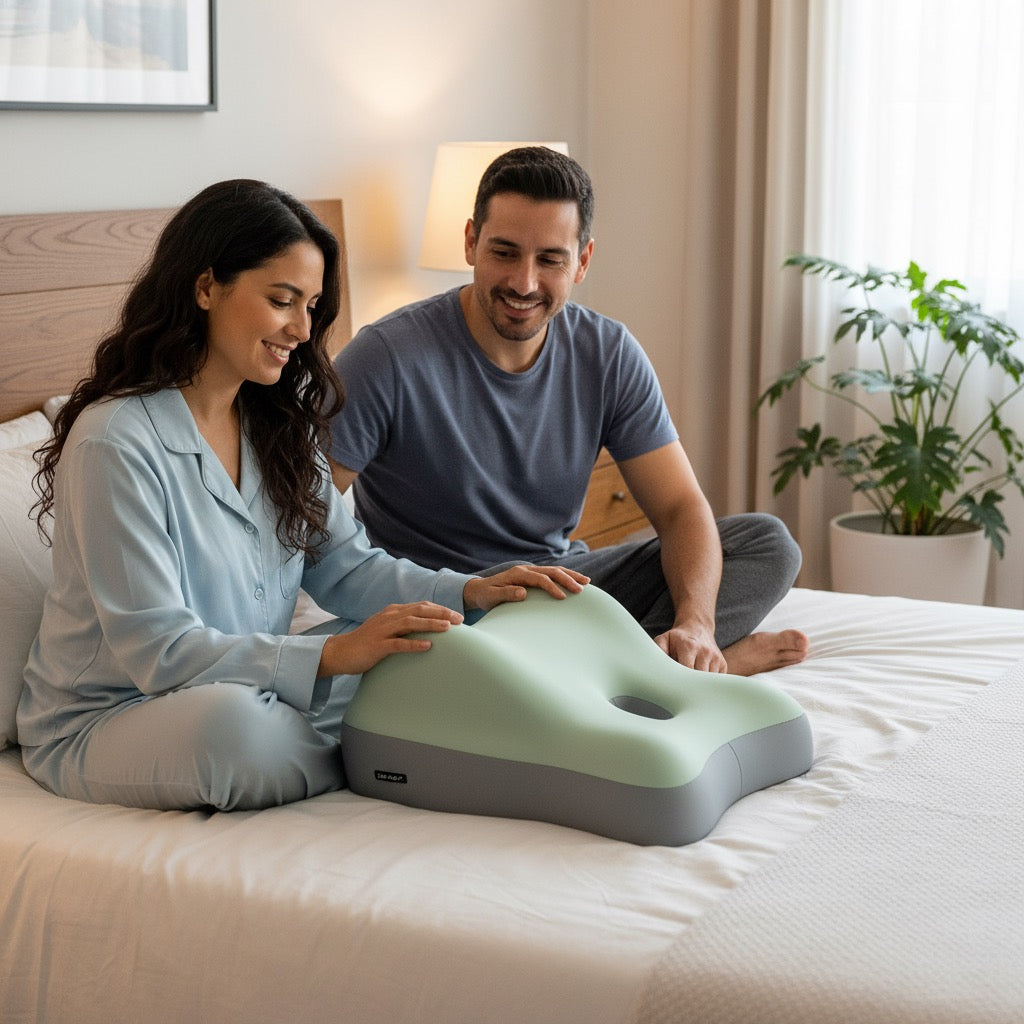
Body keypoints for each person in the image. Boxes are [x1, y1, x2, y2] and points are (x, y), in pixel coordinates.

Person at [16, 179, 587, 813]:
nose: (301, 328)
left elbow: (349, 567)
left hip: (253, 683)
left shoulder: (276, 426)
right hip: (118, 714)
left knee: (430, 645)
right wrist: (331, 655)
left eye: (311, 306)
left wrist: (469, 592)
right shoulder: (115, 442)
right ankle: (399, 748)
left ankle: (408, 737)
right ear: (206, 288)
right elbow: (159, 651)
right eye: (282, 300)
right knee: (236, 731)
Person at [329, 147, 808, 676]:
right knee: (475, 657)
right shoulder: (386, 355)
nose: (524, 283)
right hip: (450, 608)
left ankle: (655, 664)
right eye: (504, 252)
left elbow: (679, 510)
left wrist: (697, 624)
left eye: (550, 259)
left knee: (767, 543)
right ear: (470, 241)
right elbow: (307, 515)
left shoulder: (607, 352)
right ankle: (654, 674)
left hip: (560, 585)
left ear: (582, 261)